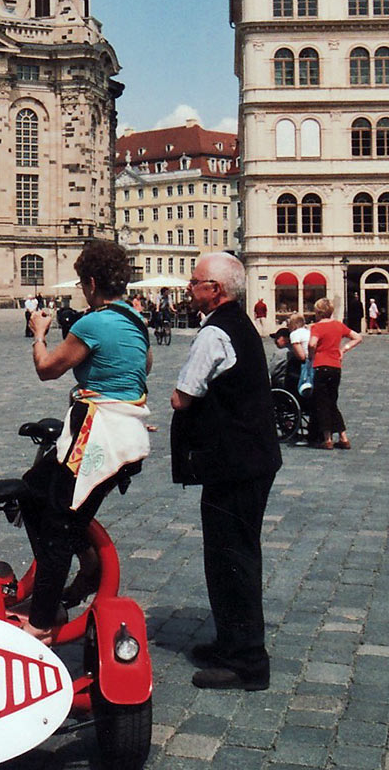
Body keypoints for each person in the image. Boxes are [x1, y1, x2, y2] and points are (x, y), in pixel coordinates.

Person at [21, 239, 151, 643]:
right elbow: (144, 366)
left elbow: (47, 369)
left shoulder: (92, 322)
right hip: (127, 431)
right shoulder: (135, 319)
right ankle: (88, 560)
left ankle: (41, 621)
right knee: (32, 491)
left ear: (92, 282)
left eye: (82, 284)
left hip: (99, 436)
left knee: (59, 523)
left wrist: (39, 334)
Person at [170, 253, 282, 691]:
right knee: (231, 553)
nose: (189, 287)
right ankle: (230, 642)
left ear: (215, 289)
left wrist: (176, 397)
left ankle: (247, 661)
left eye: (195, 281)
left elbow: (184, 395)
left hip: (234, 462)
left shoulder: (215, 331)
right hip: (249, 459)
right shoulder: (236, 323)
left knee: (231, 557)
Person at [307, 298, 362, 450]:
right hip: (335, 367)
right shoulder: (338, 325)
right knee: (332, 401)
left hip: (321, 365)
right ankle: (343, 437)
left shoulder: (317, 327)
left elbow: (312, 343)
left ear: (318, 312)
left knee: (322, 403)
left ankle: (328, 439)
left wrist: (312, 355)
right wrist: (343, 349)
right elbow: (358, 337)